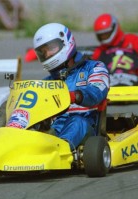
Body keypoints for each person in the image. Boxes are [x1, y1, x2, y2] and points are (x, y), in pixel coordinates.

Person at [33, 22, 110, 151]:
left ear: (65, 42)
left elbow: (97, 92)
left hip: (88, 128)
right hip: (56, 128)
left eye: (50, 49)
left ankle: (60, 152)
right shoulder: (47, 82)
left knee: (77, 122)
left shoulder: (94, 68)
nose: (47, 55)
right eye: (43, 52)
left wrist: (76, 95)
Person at [92, 13, 138, 84]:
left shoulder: (132, 40)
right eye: (101, 35)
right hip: (110, 78)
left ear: (114, 28)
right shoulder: (100, 50)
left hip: (132, 75)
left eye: (106, 34)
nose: (104, 37)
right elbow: (94, 65)